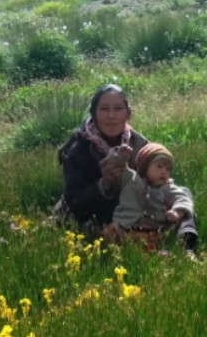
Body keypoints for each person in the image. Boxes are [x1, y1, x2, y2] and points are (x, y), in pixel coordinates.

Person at [56, 83, 199, 251]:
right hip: (93, 212)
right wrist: (104, 185)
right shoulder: (78, 150)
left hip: (133, 207)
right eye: (104, 109)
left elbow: (154, 182)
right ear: (94, 114)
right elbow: (74, 203)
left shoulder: (140, 145)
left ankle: (188, 245)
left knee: (182, 198)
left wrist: (168, 199)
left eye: (118, 109)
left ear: (128, 114)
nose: (111, 116)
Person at [108, 142, 196, 251]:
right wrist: (119, 160)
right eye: (159, 166)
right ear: (145, 167)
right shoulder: (135, 181)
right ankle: (114, 245)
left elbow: (182, 198)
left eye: (168, 169)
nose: (164, 171)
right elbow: (123, 172)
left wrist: (177, 212)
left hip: (153, 229)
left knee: (149, 243)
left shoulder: (168, 188)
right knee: (110, 232)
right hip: (128, 225)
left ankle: (143, 250)